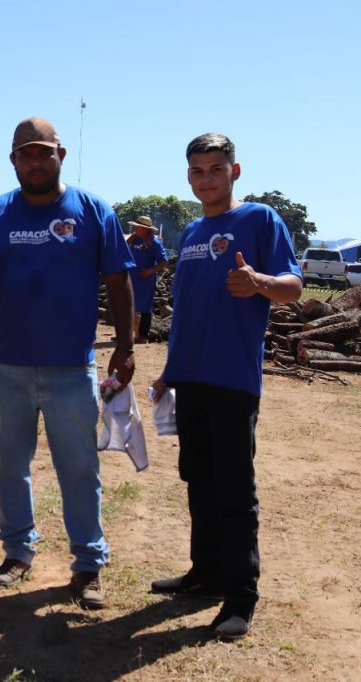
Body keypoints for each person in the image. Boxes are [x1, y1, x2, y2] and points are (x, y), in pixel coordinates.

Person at [0, 117, 136, 609]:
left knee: (79, 469)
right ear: (13, 160)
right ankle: (17, 553)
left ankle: (88, 565)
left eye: (43, 152)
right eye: (25, 154)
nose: (35, 162)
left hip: (71, 368)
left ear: (60, 154)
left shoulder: (92, 210)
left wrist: (125, 344)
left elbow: (119, 281)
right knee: (11, 467)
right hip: (10, 366)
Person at [150, 133, 302, 640]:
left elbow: (294, 286)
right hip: (190, 377)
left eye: (215, 169)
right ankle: (206, 574)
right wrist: (170, 369)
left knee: (235, 490)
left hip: (233, 379)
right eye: (197, 171)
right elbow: (189, 310)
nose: (206, 179)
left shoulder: (260, 220)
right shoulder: (192, 231)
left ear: (235, 172)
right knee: (198, 480)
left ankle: (240, 596)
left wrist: (259, 282)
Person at [126, 216, 168, 342]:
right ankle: (125, 335)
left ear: (145, 229)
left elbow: (164, 262)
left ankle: (143, 336)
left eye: (137, 227)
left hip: (145, 280)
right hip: (131, 277)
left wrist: (150, 271)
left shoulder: (154, 243)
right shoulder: (134, 240)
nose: (135, 228)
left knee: (144, 307)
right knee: (127, 305)